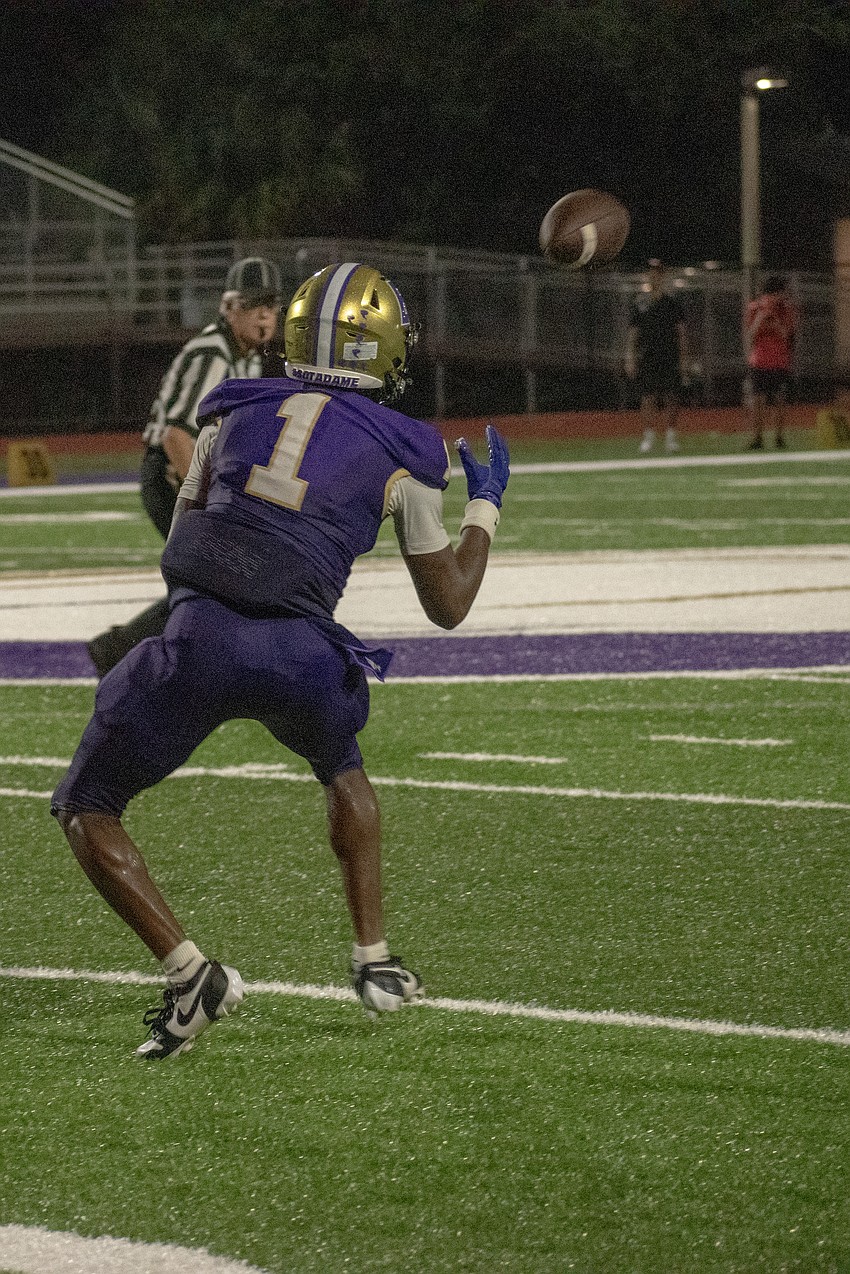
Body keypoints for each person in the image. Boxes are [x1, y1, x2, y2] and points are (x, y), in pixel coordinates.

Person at [52, 262, 510, 1060]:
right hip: (303, 653)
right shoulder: (405, 449)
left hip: (195, 639)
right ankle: (374, 961)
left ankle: (192, 973)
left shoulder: (228, 411)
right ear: (384, 348)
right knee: (342, 767)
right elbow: (449, 603)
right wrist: (485, 506)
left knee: (86, 805)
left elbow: (180, 541)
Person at [85, 256, 282, 676]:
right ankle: (124, 650)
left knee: (216, 579)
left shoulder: (244, 357)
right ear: (230, 307)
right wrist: (211, 498)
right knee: (218, 577)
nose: (264, 314)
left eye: (271, 304)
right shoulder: (212, 353)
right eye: (253, 304)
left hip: (185, 477)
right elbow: (175, 436)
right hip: (171, 476)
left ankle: (132, 651)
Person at [625, 259, 689, 454]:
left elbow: (681, 333)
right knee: (647, 396)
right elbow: (633, 333)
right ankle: (648, 436)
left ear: (663, 276)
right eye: (652, 273)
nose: (655, 276)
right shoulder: (640, 303)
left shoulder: (672, 304)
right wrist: (630, 357)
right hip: (647, 355)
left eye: (658, 273)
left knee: (671, 395)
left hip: (668, 355)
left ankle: (670, 436)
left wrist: (684, 358)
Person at [743, 275, 798, 450]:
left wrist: (775, 322)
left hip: (780, 361)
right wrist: (761, 317)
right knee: (758, 400)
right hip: (759, 361)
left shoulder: (786, 310)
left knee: (779, 400)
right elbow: (751, 334)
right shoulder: (755, 308)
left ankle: (779, 437)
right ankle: (757, 438)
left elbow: (786, 335)